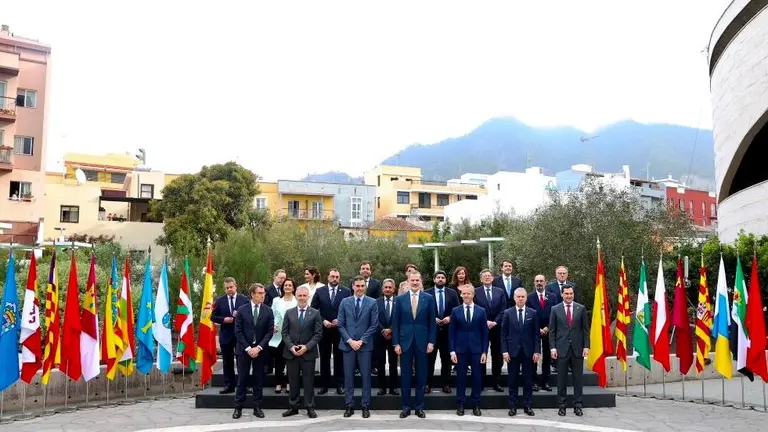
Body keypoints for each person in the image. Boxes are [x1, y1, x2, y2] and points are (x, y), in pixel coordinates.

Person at [392, 271, 436, 419]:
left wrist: (431, 342)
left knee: (421, 376)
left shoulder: (428, 298)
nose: (415, 282)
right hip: (405, 342)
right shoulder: (400, 299)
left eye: (417, 280)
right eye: (413, 280)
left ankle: (419, 407)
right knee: (405, 376)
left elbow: (432, 322)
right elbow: (395, 323)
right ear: (408, 281)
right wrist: (396, 343)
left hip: (423, 342)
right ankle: (405, 407)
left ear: (421, 281)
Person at [338, 276, 379, 418]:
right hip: (348, 345)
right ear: (353, 286)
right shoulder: (344, 302)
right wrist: (350, 341)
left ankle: (365, 406)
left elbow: (374, 325)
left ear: (365, 287)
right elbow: (341, 324)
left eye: (362, 286)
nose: (360, 288)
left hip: (364, 346)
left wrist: (361, 341)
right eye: (357, 286)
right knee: (348, 377)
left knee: (366, 377)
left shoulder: (372, 302)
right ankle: (349, 405)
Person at [233, 283, 274, 419]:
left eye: (264, 293)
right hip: (244, 350)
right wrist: (248, 348)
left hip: (260, 350)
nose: (263, 296)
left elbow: (269, 332)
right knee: (242, 379)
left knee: (258, 379)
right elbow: (238, 331)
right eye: (260, 293)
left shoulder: (268, 311)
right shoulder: (242, 310)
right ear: (252, 294)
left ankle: (257, 407)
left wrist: (259, 347)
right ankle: (238, 407)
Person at [281, 285, 323, 418]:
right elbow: (284, 332)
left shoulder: (315, 313)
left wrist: (306, 347)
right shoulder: (289, 312)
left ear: (308, 297)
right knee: (293, 381)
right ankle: (293, 407)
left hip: (308, 353)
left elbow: (318, 334)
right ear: (296, 296)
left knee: (308, 382)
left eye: (305, 295)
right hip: (291, 353)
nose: (302, 298)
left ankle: (309, 407)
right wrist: (291, 346)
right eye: (300, 295)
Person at [549, 285, 589, 417]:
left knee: (578, 379)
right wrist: (553, 348)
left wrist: (586, 346)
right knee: (561, 380)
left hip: (577, 350)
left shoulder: (581, 308)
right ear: (562, 294)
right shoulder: (555, 309)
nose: (569, 296)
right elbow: (552, 331)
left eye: (571, 293)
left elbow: (585, 330)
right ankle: (562, 405)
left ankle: (578, 405)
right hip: (561, 350)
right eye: (566, 293)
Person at [449, 284, 489, 416]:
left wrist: (484, 352)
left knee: (477, 378)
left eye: (468, 293)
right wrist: (452, 351)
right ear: (461, 295)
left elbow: (485, 333)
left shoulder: (481, 311)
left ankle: (476, 404)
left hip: (477, 350)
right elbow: (451, 332)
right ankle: (460, 404)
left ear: (473, 295)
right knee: (460, 378)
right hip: (460, 350)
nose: (466, 296)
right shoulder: (455, 311)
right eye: (463, 294)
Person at [310, 268, 351, 395]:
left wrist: (340, 320)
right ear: (328, 277)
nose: (334, 279)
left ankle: (340, 384)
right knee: (325, 357)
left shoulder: (346, 291)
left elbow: (349, 310)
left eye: (337, 277)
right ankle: (324, 385)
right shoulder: (320, 291)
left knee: (340, 358)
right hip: (324, 330)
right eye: (332, 276)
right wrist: (323, 321)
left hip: (340, 330)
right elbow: (313, 309)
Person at [501, 287, 540, 417]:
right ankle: (512, 406)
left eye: (523, 296)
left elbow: (536, 334)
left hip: (529, 352)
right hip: (512, 352)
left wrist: (537, 351)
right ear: (514, 298)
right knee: (513, 380)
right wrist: (505, 351)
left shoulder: (533, 313)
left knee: (528, 380)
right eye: (518, 296)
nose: (520, 299)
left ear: (526, 298)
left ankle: (527, 405)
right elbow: (503, 334)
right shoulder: (507, 313)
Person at [211, 277, 249, 394]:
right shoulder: (219, 300)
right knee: (227, 362)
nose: (229, 290)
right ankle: (229, 385)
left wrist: (240, 315)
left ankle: (243, 386)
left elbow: (249, 315)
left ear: (236, 286)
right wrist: (223, 319)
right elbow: (212, 316)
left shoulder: (244, 299)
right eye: (227, 288)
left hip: (241, 336)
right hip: (226, 335)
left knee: (242, 361)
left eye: (231, 287)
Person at [426, 271, 459, 393]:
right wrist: (432, 318)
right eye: (438, 277)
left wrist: (450, 318)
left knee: (446, 359)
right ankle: (427, 384)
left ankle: (446, 384)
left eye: (443, 277)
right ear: (434, 279)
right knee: (430, 359)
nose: (440, 279)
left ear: (445, 280)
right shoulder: (427, 293)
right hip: (432, 331)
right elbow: (423, 311)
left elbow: (457, 309)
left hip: (447, 331)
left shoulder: (452, 293)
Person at [474, 269, 506, 392]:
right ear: (481, 279)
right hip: (481, 328)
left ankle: (496, 382)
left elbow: (503, 309)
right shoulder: (476, 292)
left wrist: (495, 322)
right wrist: (485, 321)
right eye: (484, 276)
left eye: (489, 276)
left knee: (497, 356)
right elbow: (474, 308)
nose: (487, 277)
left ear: (492, 278)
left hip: (497, 327)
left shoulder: (500, 291)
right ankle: (480, 382)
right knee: (481, 354)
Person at [526, 274, 557, 391]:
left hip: (549, 331)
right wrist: (537, 328)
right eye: (537, 281)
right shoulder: (529, 297)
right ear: (534, 283)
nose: (539, 283)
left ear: (546, 282)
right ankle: (534, 382)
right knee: (534, 357)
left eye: (541, 281)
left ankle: (546, 381)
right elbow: (528, 314)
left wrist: (548, 327)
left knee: (547, 357)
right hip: (534, 331)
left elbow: (555, 314)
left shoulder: (553, 297)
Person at [268, 278, 298, 393]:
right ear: (282, 287)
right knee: (279, 360)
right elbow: (272, 314)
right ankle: (279, 383)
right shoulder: (276, 300)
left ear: (293, 288)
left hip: (292, 334)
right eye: (286, 285)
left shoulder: (297, 300)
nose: (287, 287)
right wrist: (273, 326)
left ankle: (289, 383)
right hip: (278, 333)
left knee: (291, 360)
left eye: (290, 285)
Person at [375, 278, 399, 395]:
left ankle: (393, 387)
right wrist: (383, 330)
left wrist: (391, 330)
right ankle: (382, 387)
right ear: (382, 289)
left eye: (390, 287)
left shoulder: (399, 301)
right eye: (386, 287)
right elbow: (374, 318)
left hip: (394, 336)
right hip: (379, 336)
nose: (388, 289)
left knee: (393, 362)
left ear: (394, 289)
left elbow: (400, 318)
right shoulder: (376, 302)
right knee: (380, 363)